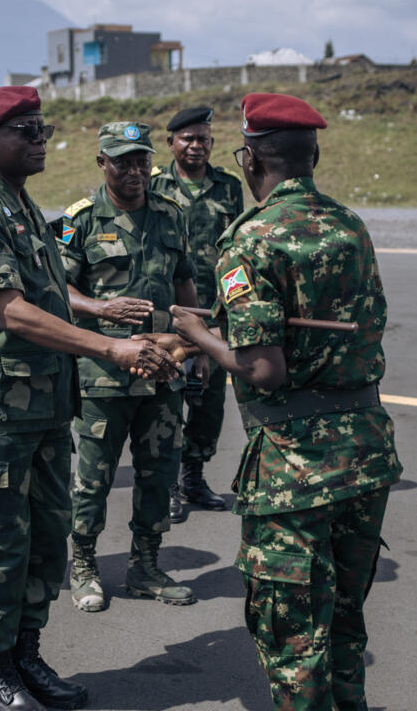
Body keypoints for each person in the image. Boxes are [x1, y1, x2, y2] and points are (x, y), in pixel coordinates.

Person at [0, 87, 178, 711]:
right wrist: (109, 347)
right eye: (26, 130)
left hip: (44, 405)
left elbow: (50, 296)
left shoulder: (22, 205)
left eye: (42, 128)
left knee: (45, 539)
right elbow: (12, 313)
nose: (41, 138)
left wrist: (150, 322)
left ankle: (27, 656)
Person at [171, 93, 403, 711]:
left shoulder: (249, 239)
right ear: (313, 155)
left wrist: (198, 336)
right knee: (345, 617)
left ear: (249, 159)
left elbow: (263, 369)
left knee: (293, 635)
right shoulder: (348, 223)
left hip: (296, 466)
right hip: (365, 453)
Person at [57, 122, 200, 613]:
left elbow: (185, 284)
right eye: (123, 161)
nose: (135, 170)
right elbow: (58, 293)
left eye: (141, 159)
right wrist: (101, 309)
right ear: (102, 163)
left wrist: (193, 347)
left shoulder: (170, 214)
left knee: (158, 473)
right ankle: (84, 565)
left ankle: (145, 566)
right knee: (92, 479)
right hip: (103, 374)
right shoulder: (79, 220)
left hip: (163, 368)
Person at [149, 106, 244, 523]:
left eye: (203, 138)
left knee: (209, 401)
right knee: (167, 397)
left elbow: (235, 249)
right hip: (168, 310)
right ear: (170, 144)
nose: (196, 145)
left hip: (213, 310)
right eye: (187, 138)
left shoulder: (228, 187)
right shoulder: (154, 185)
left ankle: (193, 475)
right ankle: (167, 481)